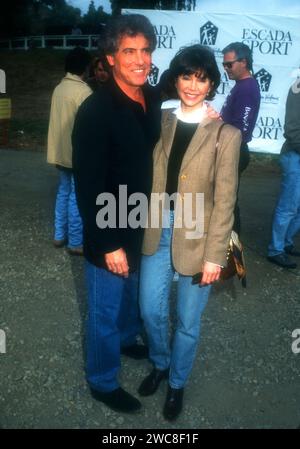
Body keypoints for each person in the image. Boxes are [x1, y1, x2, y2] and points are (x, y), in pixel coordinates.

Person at [138, 45, 241, 420]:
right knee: (149, 309)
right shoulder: (160, 122)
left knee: (187, 321)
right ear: (176, 78)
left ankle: (177, 383)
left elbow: (225, 199)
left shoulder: (224, 134)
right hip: (156, 229)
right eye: (186, 76)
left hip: (200, 236)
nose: (193, 85)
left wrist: (216, 255)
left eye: (201, 78)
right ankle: (160, 363)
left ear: (212, 83)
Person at [72, 14, 161, 413]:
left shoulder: (153, 98)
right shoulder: (96, 110)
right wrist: (108, 244)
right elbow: (88, 186)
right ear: (110, 58)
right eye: (129, 51)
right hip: (109, 228)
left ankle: (127, 339)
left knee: (129, 299)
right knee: (104, 311)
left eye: (145, 50)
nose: (140, 59)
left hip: (140, 222)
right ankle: (102, 380)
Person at [47, 47, 92, 255]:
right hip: (77, 155)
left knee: (63, 192)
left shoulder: (59, 88)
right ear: (85, 67)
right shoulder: (84, 92)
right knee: (76, 196)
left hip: (59, 153)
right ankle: (75, 241)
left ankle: (59, 235)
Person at [221, 42, 261, 233]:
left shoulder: (247, 88)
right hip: (232, 150)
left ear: (243, 62)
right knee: (225, 200)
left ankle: (232, 251)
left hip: (234, 152)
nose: (226, 69)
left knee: (226, 202)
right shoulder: (242, 85)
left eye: (229, 64)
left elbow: (240, 129)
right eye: (224, 65)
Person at [267, 78, 300, 269]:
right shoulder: (298, 87)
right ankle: (276, 250)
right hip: (295, 155)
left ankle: (286, 242)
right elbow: (292, 128)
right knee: (289, 206)